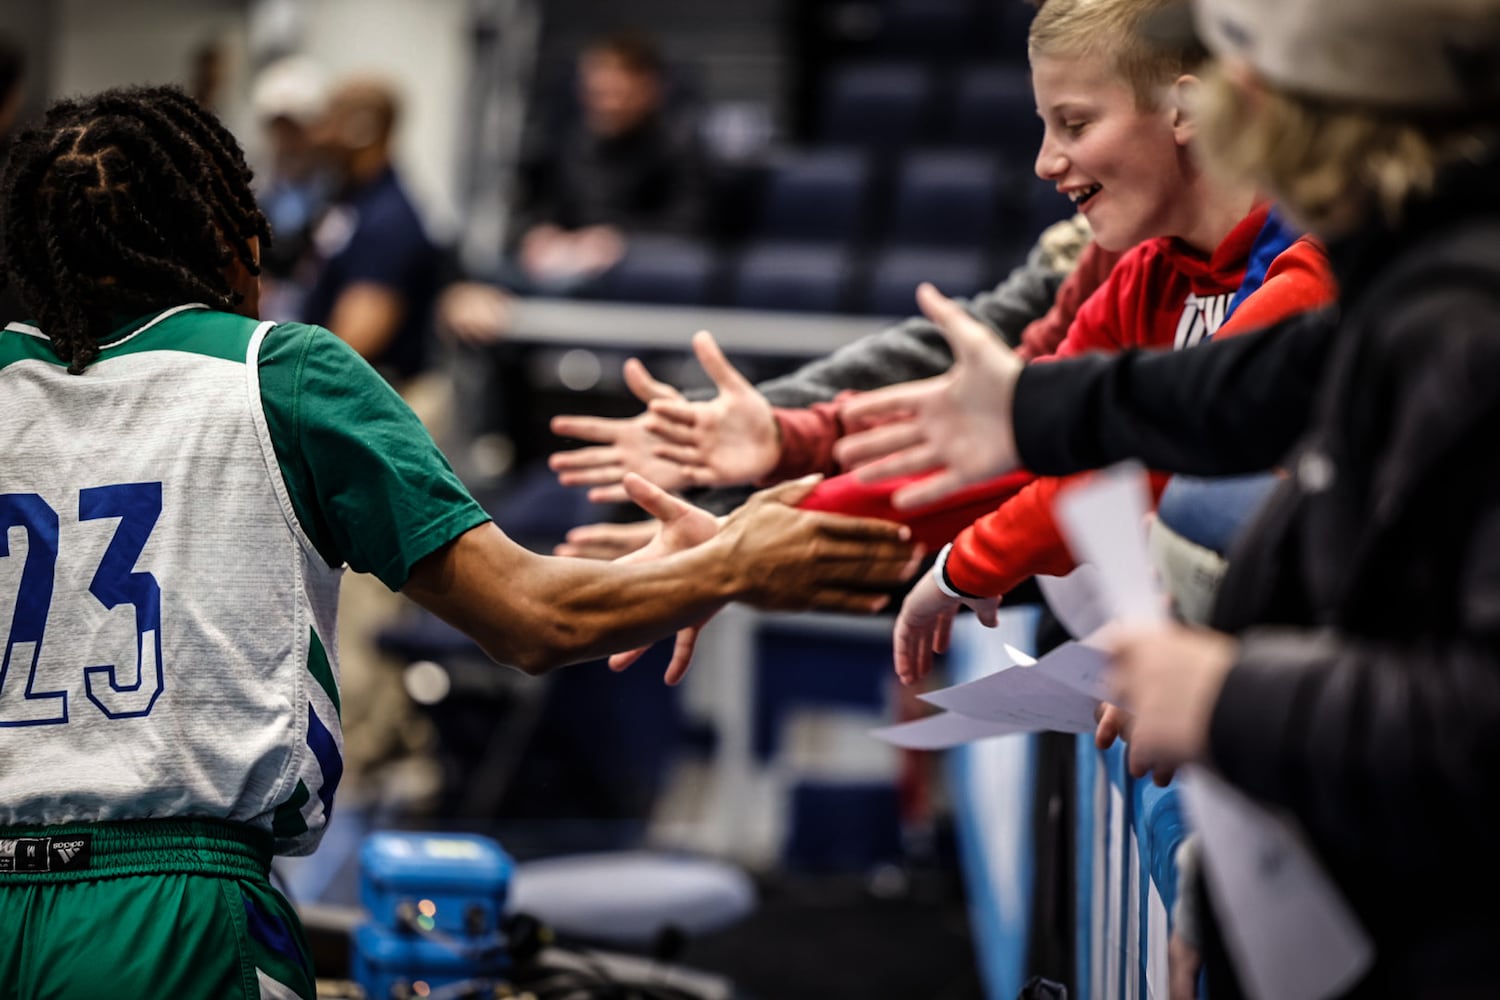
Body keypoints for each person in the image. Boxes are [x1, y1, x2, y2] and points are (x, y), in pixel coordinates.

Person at [0, 85, 920, 999]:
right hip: (169, 914)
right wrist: (733, 560)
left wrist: (679, 563)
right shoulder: (282, 374)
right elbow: (530, 619)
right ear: (226, 234)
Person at [834, 0, 1500, 990]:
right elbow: (1235, 386)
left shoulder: (1460, 319)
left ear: (1266, 101)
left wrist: (1223, 694)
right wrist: (1025, 409)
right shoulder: (1411, 275)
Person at [438, 29, 709, 340]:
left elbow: (690, 226)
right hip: (562, 263)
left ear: (649, 89)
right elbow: (534, 207)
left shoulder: (681, 147)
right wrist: (539, 233)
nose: (606, 105)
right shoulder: (567, 140)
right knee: (465, 285)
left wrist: (616, 242)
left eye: (617, 93)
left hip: (630, 276)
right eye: (596, 92)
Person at [299, 76, 441, 387]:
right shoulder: (349, 201)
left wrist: (287, 383)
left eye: (330, 121)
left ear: (362, 129)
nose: (319, 136)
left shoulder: (388, 220)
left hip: (360, 400)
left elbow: (354, 342)